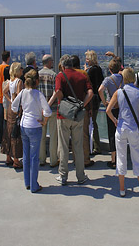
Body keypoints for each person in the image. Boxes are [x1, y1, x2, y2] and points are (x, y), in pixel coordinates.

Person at [106, 68, 139, 198]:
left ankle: (122, 189)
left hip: (121, 128)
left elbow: (108, 110)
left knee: (121, 158)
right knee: (136, 158)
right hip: (133, 128)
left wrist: (115, 120)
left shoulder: (118, 92)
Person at [54, 56, 93, 185]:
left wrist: (63, 102)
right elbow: (90, 93)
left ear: (64, 66)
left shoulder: (60, 76)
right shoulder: (82, 76)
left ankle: (63, 176)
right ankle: (81, 176)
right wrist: (82, 105)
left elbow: (58, 91)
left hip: (63, 115)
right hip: (77, 115)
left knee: (64, 146)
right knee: (78, 146)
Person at [12, 70, 51, 193]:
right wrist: (44, 121)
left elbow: (13, 106)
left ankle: (27, 182)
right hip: (35, 126)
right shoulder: (39, 94)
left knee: (26, 155)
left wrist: (22, 112)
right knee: (34, 157)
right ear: (37, 81)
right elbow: (48, 111)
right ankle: (34, 185)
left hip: (24, 125)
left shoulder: (23, 92)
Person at [71, 54, 95, 167]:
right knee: (84, 134)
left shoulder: (66, 75)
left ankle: (75, 159)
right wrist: (88, 107)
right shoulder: (84, 74)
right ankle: (85, 159)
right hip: (83, 107)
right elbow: (89, 92)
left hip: (70, 109)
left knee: (73, 135)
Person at [98, 59, 123, 169]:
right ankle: (121, 158)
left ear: (110, 69)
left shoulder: (108, 79)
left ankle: (113, 159)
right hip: (122, 107)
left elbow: (100, 90)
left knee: (112, 133)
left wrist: (105, 102)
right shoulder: (123, 78)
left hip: (111, 108)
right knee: (121, 132)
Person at [2, 62, 24, 169]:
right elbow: (20, 96)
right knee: (16, 133)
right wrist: (20, 108)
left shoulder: (10, 81)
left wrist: (10, 100)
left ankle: (8, 156)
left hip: (10, 108)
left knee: (9, 131)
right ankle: (16, 159)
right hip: (16, 109)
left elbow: (4, 91)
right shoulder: (19, 81)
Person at [38, 54, 58, 167]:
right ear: (49, 62)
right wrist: (49, 103)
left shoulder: (38, 74)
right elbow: (56, 91)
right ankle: (53, 160)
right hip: (53, 108)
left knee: (42, 135)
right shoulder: (53, 75)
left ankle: (42, 159)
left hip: (41, 109)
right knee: (53, 135)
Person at [84, 50, 104, 156]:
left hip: (92, 99)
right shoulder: (99, 69)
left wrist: (85, 71)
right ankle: (96, 145)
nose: (86, 61)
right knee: (93, 122)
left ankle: (94, 146)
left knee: (91, 122)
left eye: (87, 58)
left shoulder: (91, 71)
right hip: (97, 99)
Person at [0, 50, 11, 143]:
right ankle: (7, 139)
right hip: (8, 98)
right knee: (8, 121)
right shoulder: (9, 69)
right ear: (8, 58)